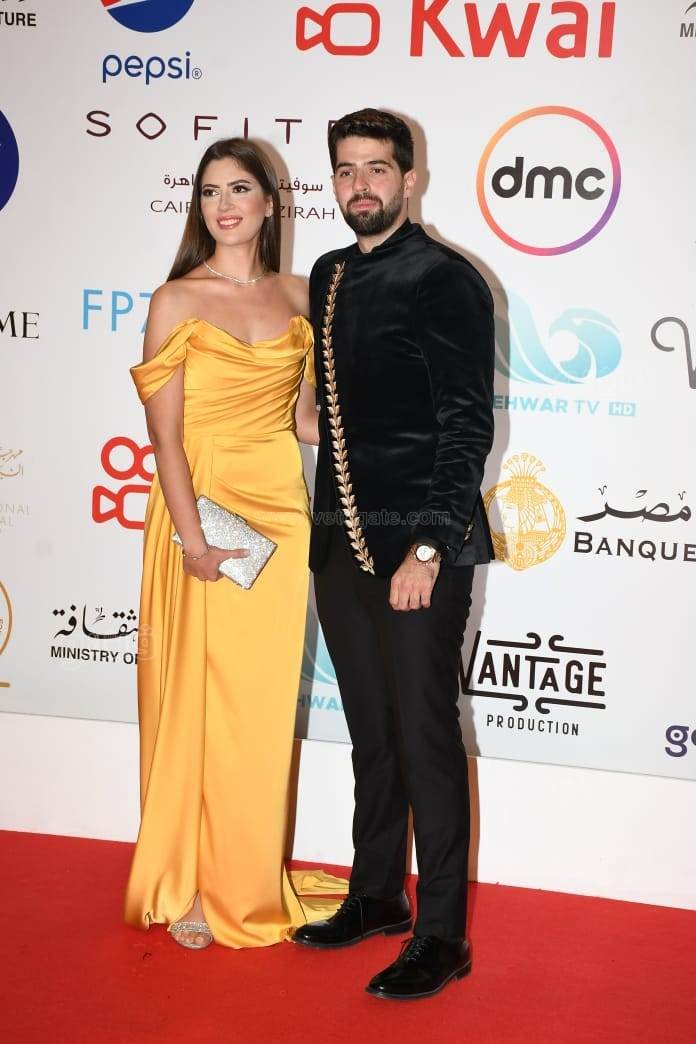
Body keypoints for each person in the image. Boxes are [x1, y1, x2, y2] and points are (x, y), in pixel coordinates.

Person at [293, 110, 495, 1000]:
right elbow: (329, 406)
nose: (360, 186)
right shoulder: (330, 273)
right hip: (340, 540)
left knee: (424, 734)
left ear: (410, 179)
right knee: (372, 732)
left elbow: (466, 428)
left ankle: (442, 934)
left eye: (377, 169)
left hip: (422, 545)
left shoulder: (445, 279)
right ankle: (377, 893)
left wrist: (427, 547)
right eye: (346, 171)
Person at [124, 137, 345, 950]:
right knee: (198, 698)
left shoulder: (301, 294)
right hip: (200, 508)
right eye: (211, 191)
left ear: (269, 202)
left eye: (239, 189)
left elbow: (303, 420)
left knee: (256, 707)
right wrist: (192, 542)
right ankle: (188, 882)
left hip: (278, 514)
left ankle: (243, 877)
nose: (224, 205)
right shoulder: (175, 299)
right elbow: (165, 437)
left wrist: (384, 430)